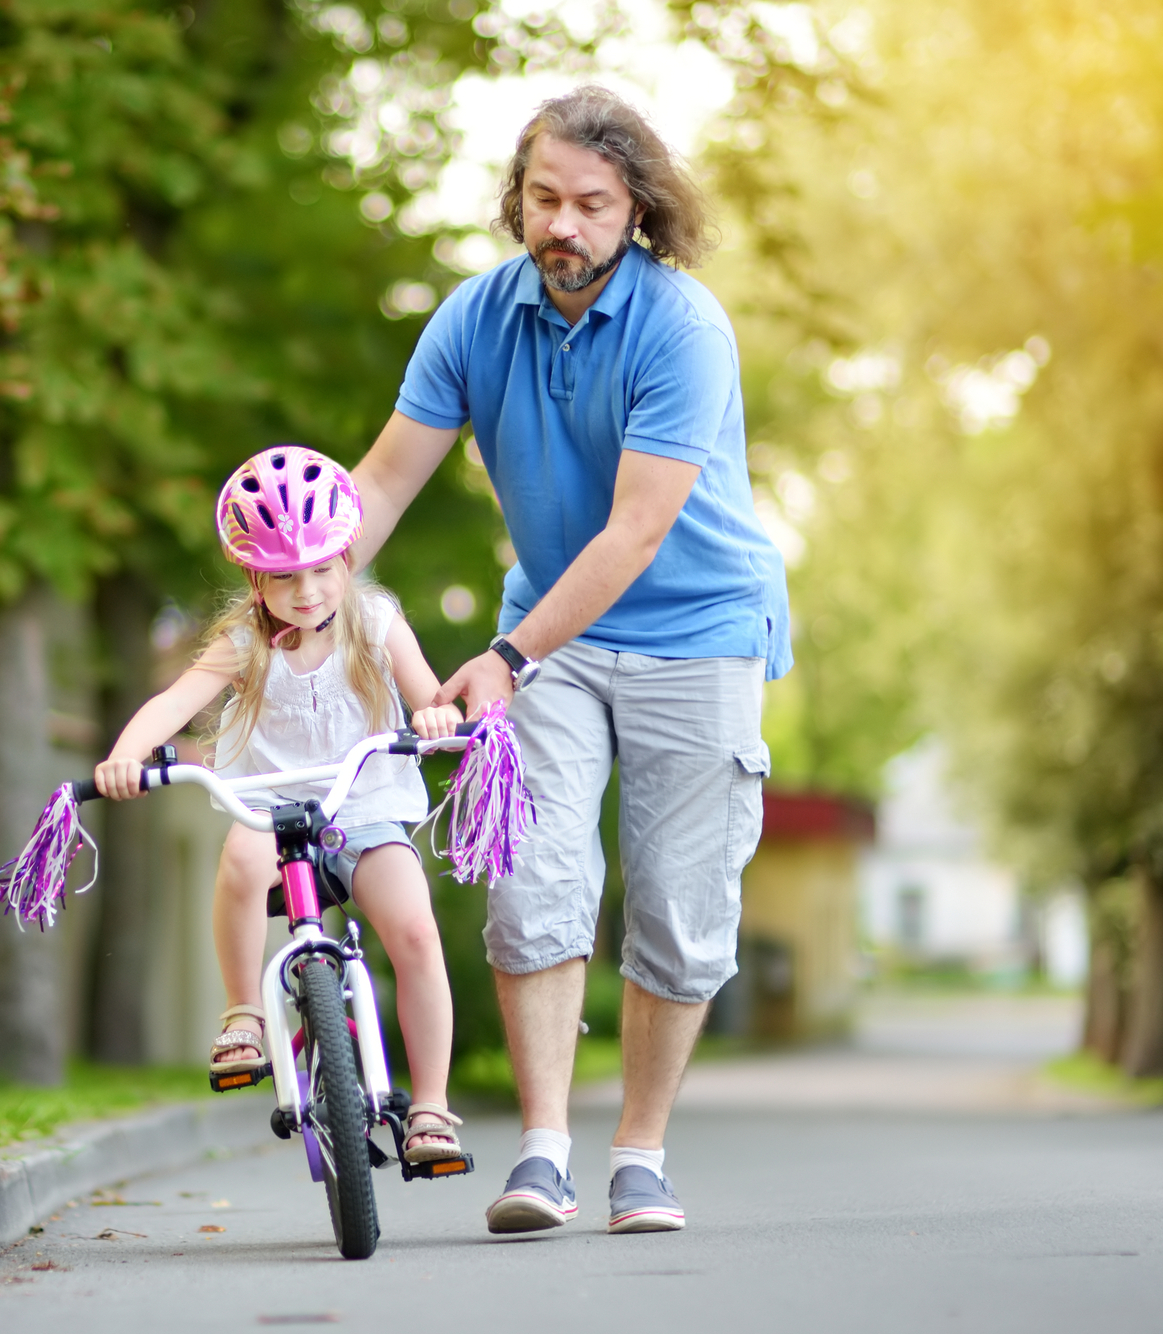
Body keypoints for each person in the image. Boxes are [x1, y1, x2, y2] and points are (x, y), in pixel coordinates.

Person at [346, 87, 792, 1234]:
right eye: (543, 197)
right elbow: (385, 480)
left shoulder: (680, 326)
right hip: (550, 633)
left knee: (679, 906)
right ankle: (541, 1152)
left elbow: (633, 532)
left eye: (591, 203)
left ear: (636, 209)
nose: (563, 225)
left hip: (695, 633)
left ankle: (637, 1153)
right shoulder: (473, 318)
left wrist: (500, 654)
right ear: (517, 199)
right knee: (533, 881)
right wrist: (294, 565)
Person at [95, 446, 469, 1162]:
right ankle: (243, 1014)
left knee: (416, 933)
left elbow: (430, 697)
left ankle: (430, 1109)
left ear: (347, 557)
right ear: (253, 578)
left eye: (323, 568)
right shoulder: (244, 643)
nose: (308, 591)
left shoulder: (376, 621)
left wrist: (436, 719)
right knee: (240, 857)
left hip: (365, 807)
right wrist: (126, 754)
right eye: (285, 577)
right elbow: (176, 700)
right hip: (274, 811)